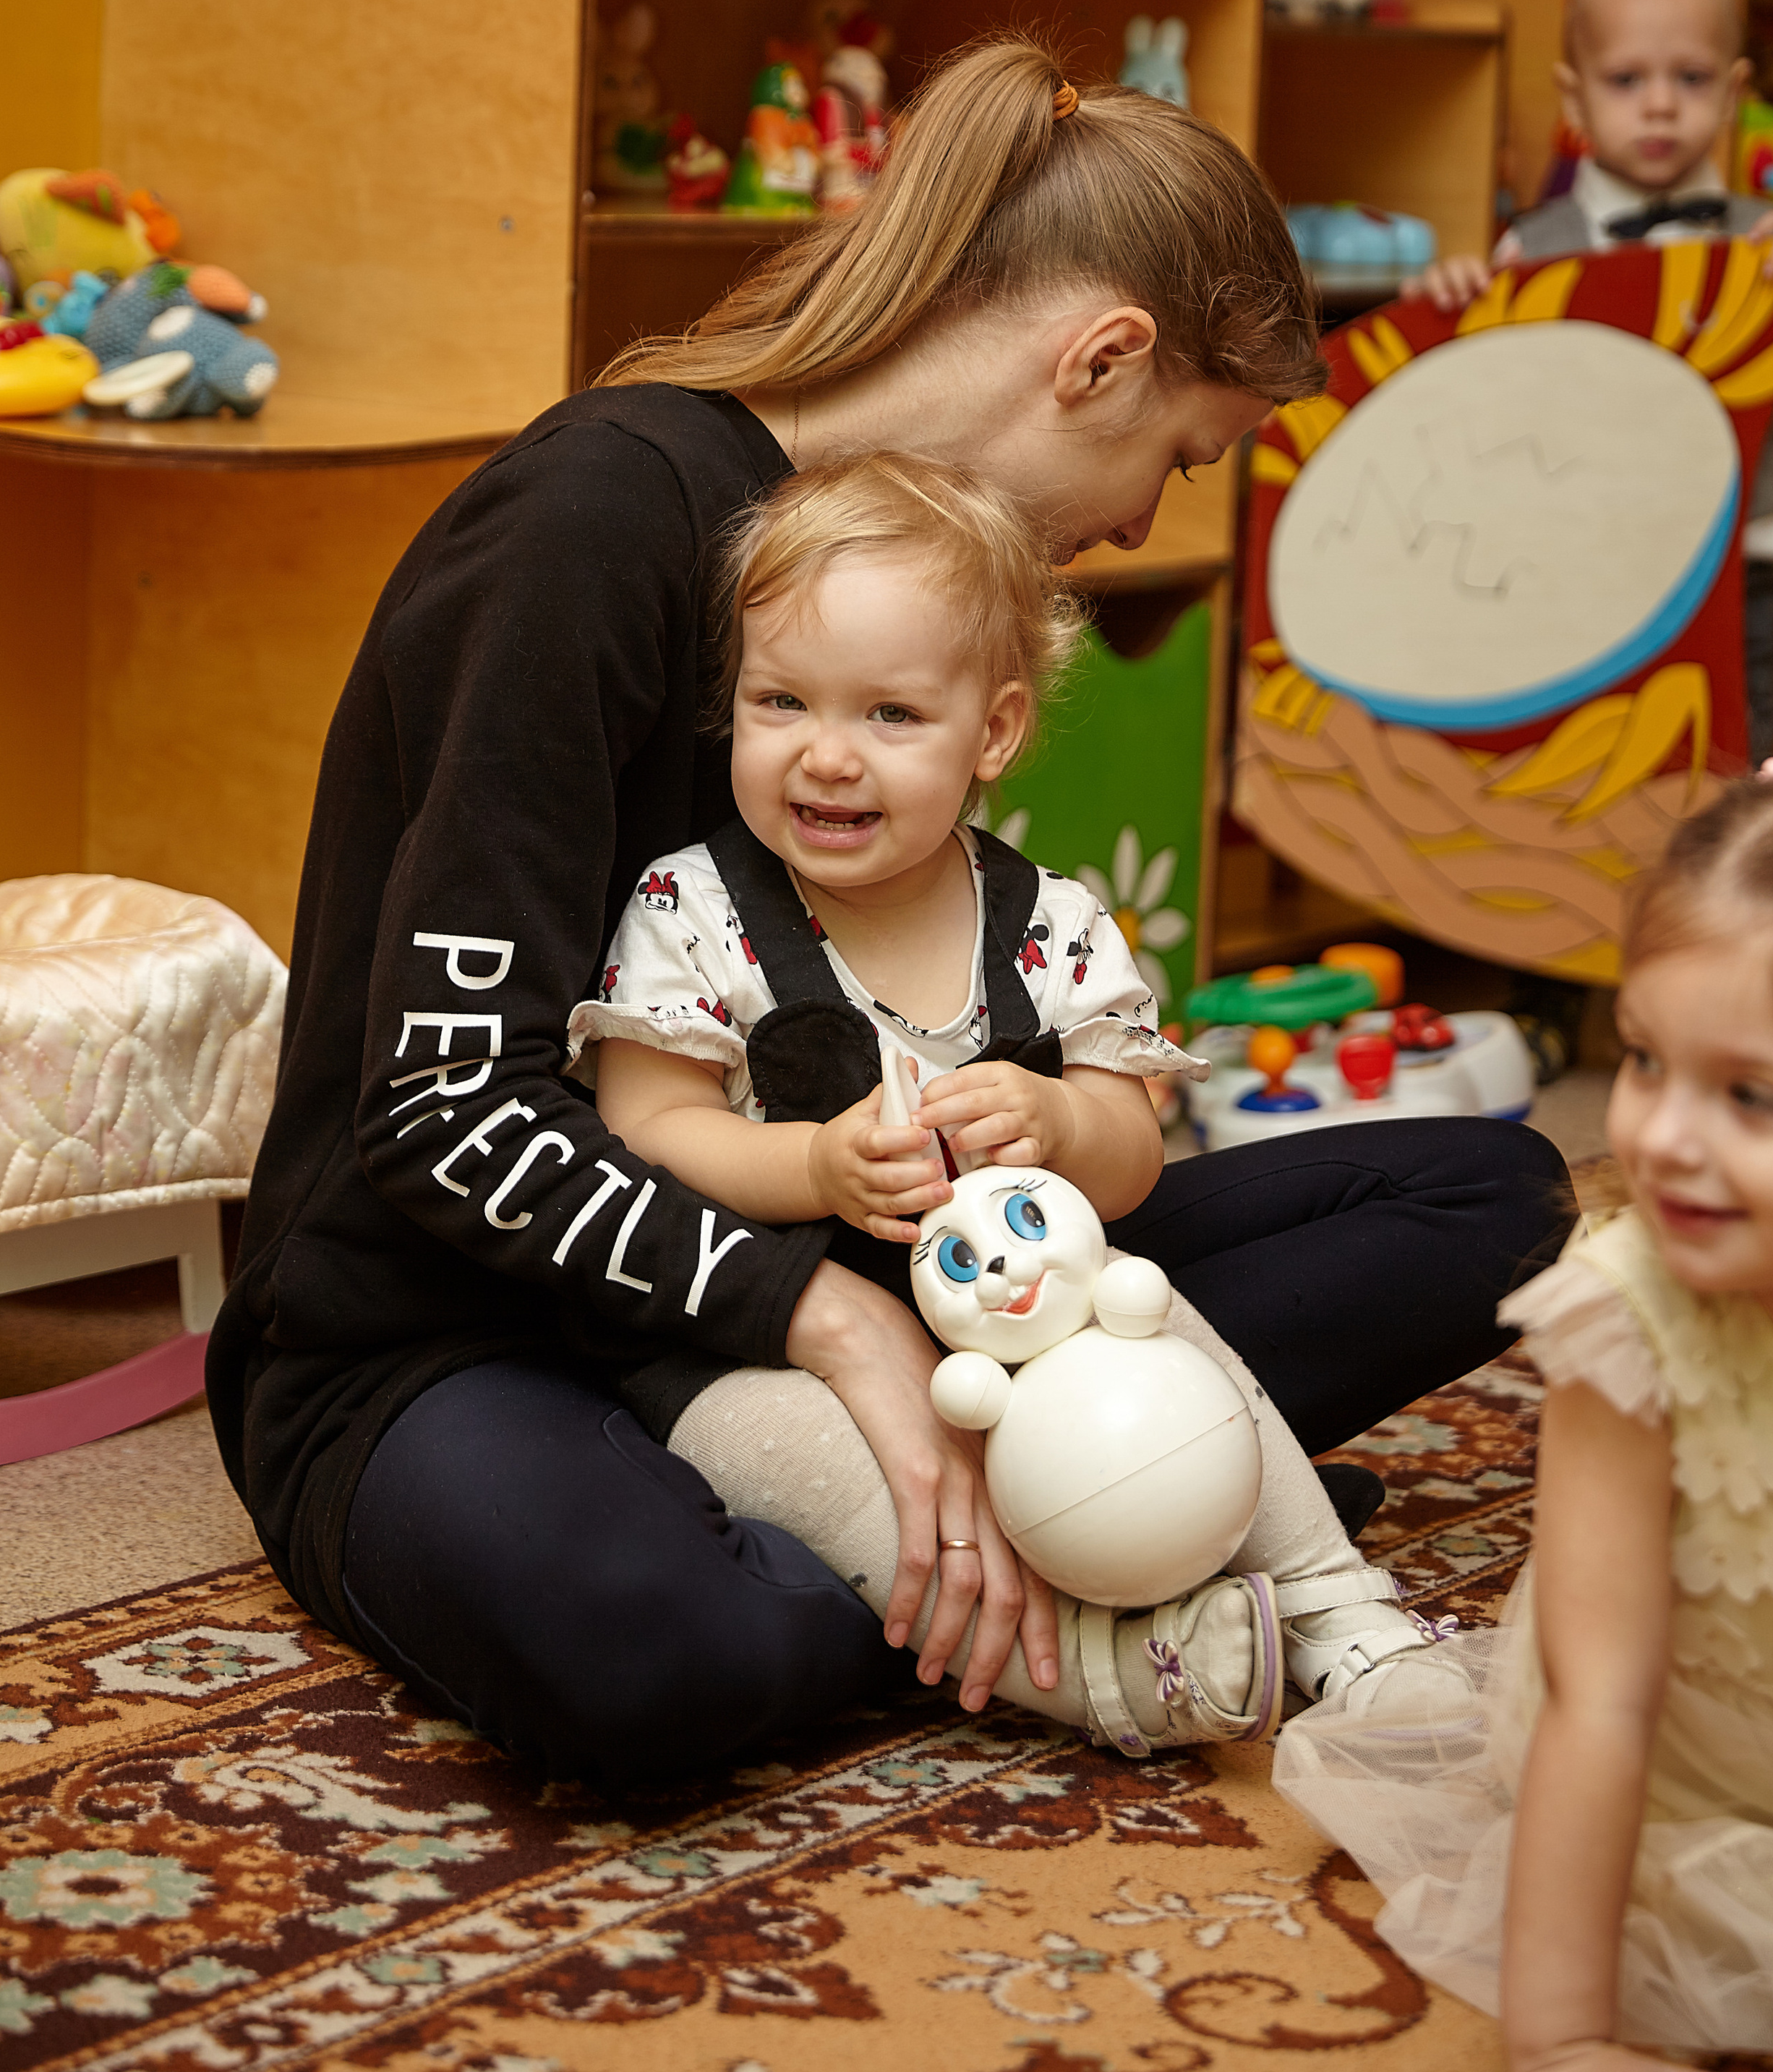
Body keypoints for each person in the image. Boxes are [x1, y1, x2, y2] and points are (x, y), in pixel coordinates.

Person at [208, 35, 1569, 1789]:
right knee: (667, 1662)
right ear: (1100, 357)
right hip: (469, 1322)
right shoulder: (590, 527)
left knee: (1490, 1190)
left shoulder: (929, 608)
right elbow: (443, 1113)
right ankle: (1088, 1545)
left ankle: (1047, 1504)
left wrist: (1042, 1138)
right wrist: (816, 1313)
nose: (1140, 518)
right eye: (1177, 453)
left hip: (894, 1268)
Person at [581, 449, 1443, 1755]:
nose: (827, 757)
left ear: (990, 732)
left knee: (1171, 1340)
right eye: (782, 702)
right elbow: (646, 1132)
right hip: (753, 1328)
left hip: (1028, 1312)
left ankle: (1340, 1610)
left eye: (889, 716)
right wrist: (815, 1166)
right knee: (821, 1479)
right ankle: (1113, 1674)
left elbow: (1133, 1150)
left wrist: (1057, 1128)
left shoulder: (1049, 921)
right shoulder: (691, 909)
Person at [1274, 764, 1773, 2072]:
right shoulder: (1628, 1329)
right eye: (1645, 1061)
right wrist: (1567, 2048)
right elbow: (1603, 1700)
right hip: (1682, 1781)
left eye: (1752, 1096)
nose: (1661, 1138)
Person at [1401, 0, 1773, 767]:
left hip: (1730, 561)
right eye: (1625, 80)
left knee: (1727, 762)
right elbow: (1475, 419)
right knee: (1580, 764)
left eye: (1689, 78)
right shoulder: (1532, 249)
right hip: (1574, 561)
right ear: (1573, 103)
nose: (1658, 104)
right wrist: (1455, 308)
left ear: (1732, 93)